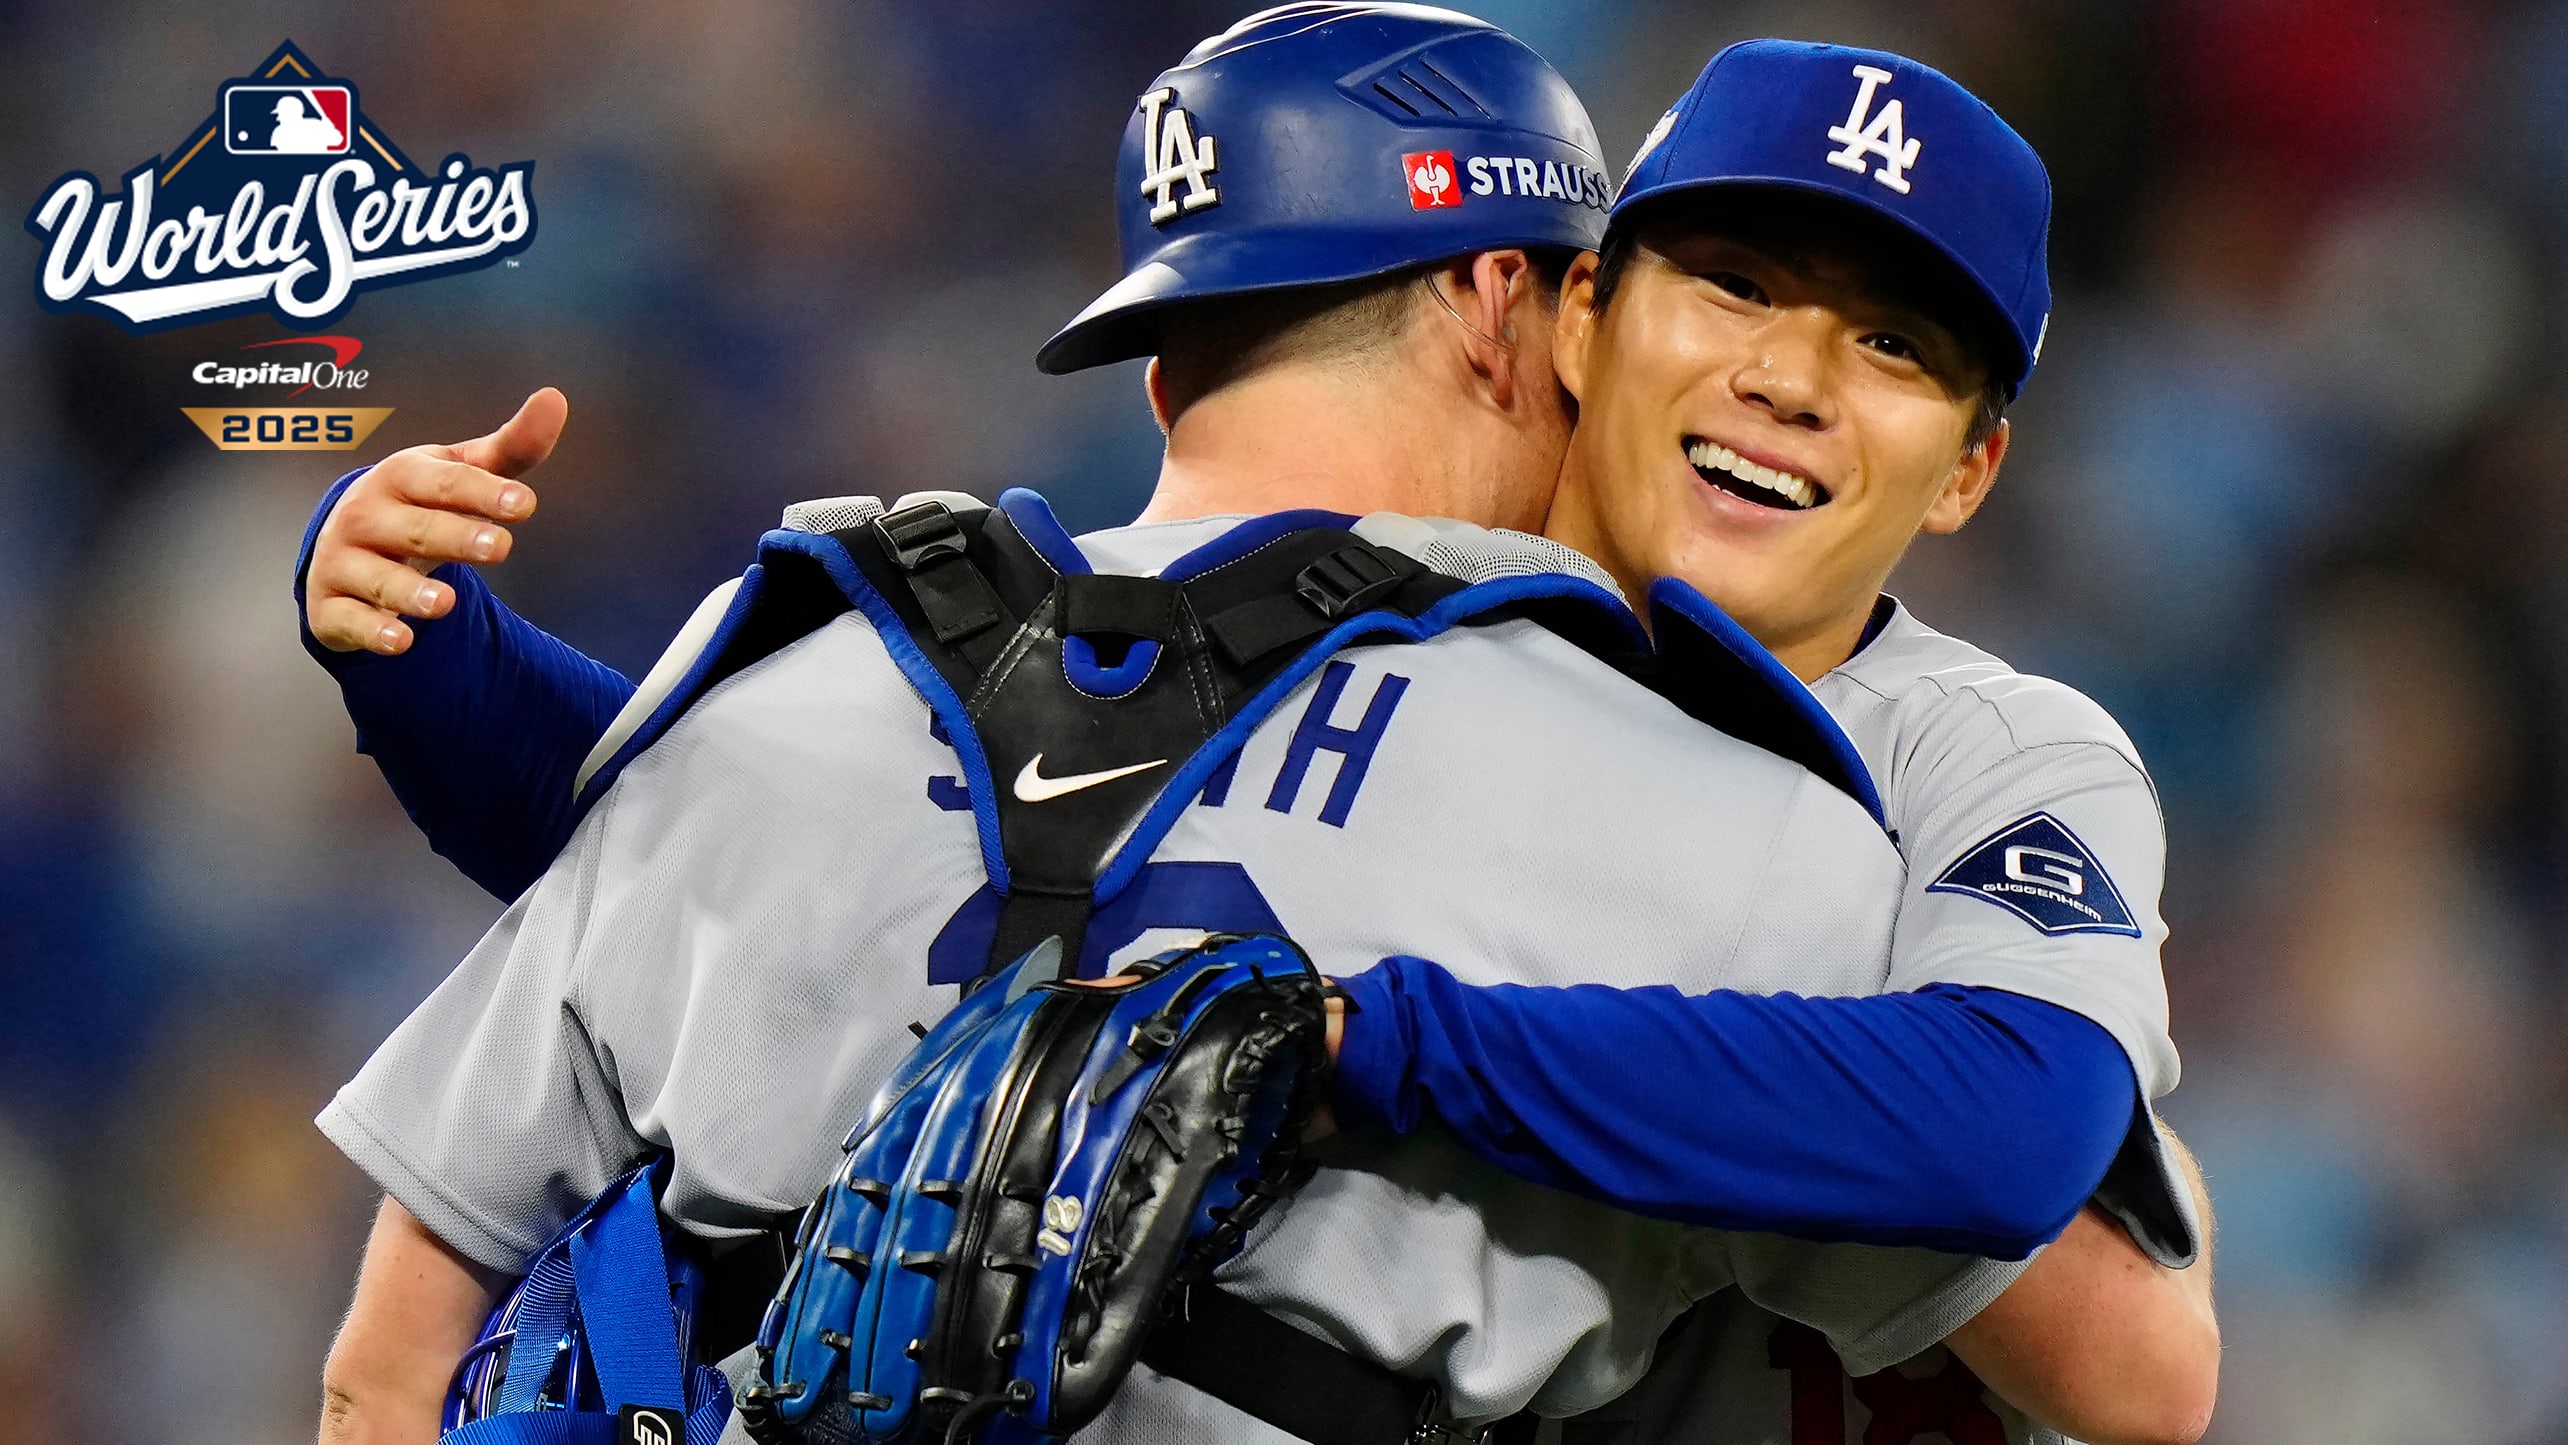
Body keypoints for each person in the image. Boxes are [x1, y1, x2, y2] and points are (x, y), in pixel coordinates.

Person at [308, 14, 2207, 1445]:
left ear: (1973, 471)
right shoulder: (1245, 635)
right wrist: (438, 665)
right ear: (1563, 312)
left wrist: (1364, 1038)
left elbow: (2121, 1324)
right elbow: (816, 840)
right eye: (1740, 283)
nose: (1790, 377)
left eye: (1893, 345)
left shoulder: (1938, 765)